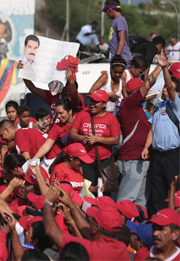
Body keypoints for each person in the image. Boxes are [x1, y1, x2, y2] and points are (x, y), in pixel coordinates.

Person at [117, 56, 165, 207]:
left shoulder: (140, 108)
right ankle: (119, 228)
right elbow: (148, 84)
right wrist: (160, 67)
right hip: (132, 158)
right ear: (136, 92)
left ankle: (138, 229)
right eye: (142, 89)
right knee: (126, 200)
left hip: (142, 159)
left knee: (140, 202)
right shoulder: (128, 103)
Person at [43, 187, 130, 260]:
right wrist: (71, 204)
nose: (89, 219)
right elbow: (87, 232)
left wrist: (48, 203)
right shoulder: (122, 249)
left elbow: (51, 231)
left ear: (96, 228)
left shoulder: (93, 250)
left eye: (92, 219)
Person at [144, 58, 180, 215]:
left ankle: (173, 226)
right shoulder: (159, 105)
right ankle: (159, 224)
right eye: (164, 87)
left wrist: (164, 68)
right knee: (157, 194)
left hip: (172, 157)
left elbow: (171, 90)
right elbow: (153, 128)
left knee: (174, 192)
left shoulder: (176, 104)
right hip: (157, 157)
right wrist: (146, 147)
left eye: (168, 87)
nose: (165, 89)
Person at [69, 90, 121, 189]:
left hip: (104, 161)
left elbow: (116, 140)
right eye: (91, 100)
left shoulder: (111, 118)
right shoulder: (83, 114)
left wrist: (97, 139)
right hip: (85, 161)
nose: (92, 104)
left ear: (104, 104)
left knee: (105, 192)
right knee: (88, 191)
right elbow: (72, 133)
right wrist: (82, 138)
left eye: (96, 102)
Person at [102, 0, 132, 68]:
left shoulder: (119, 20)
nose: (107, 14)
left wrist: (117, 57)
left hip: (122, 60)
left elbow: (122, 39)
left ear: (110, 10)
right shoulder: (117, 20)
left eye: (106, 12)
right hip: (117, 60)